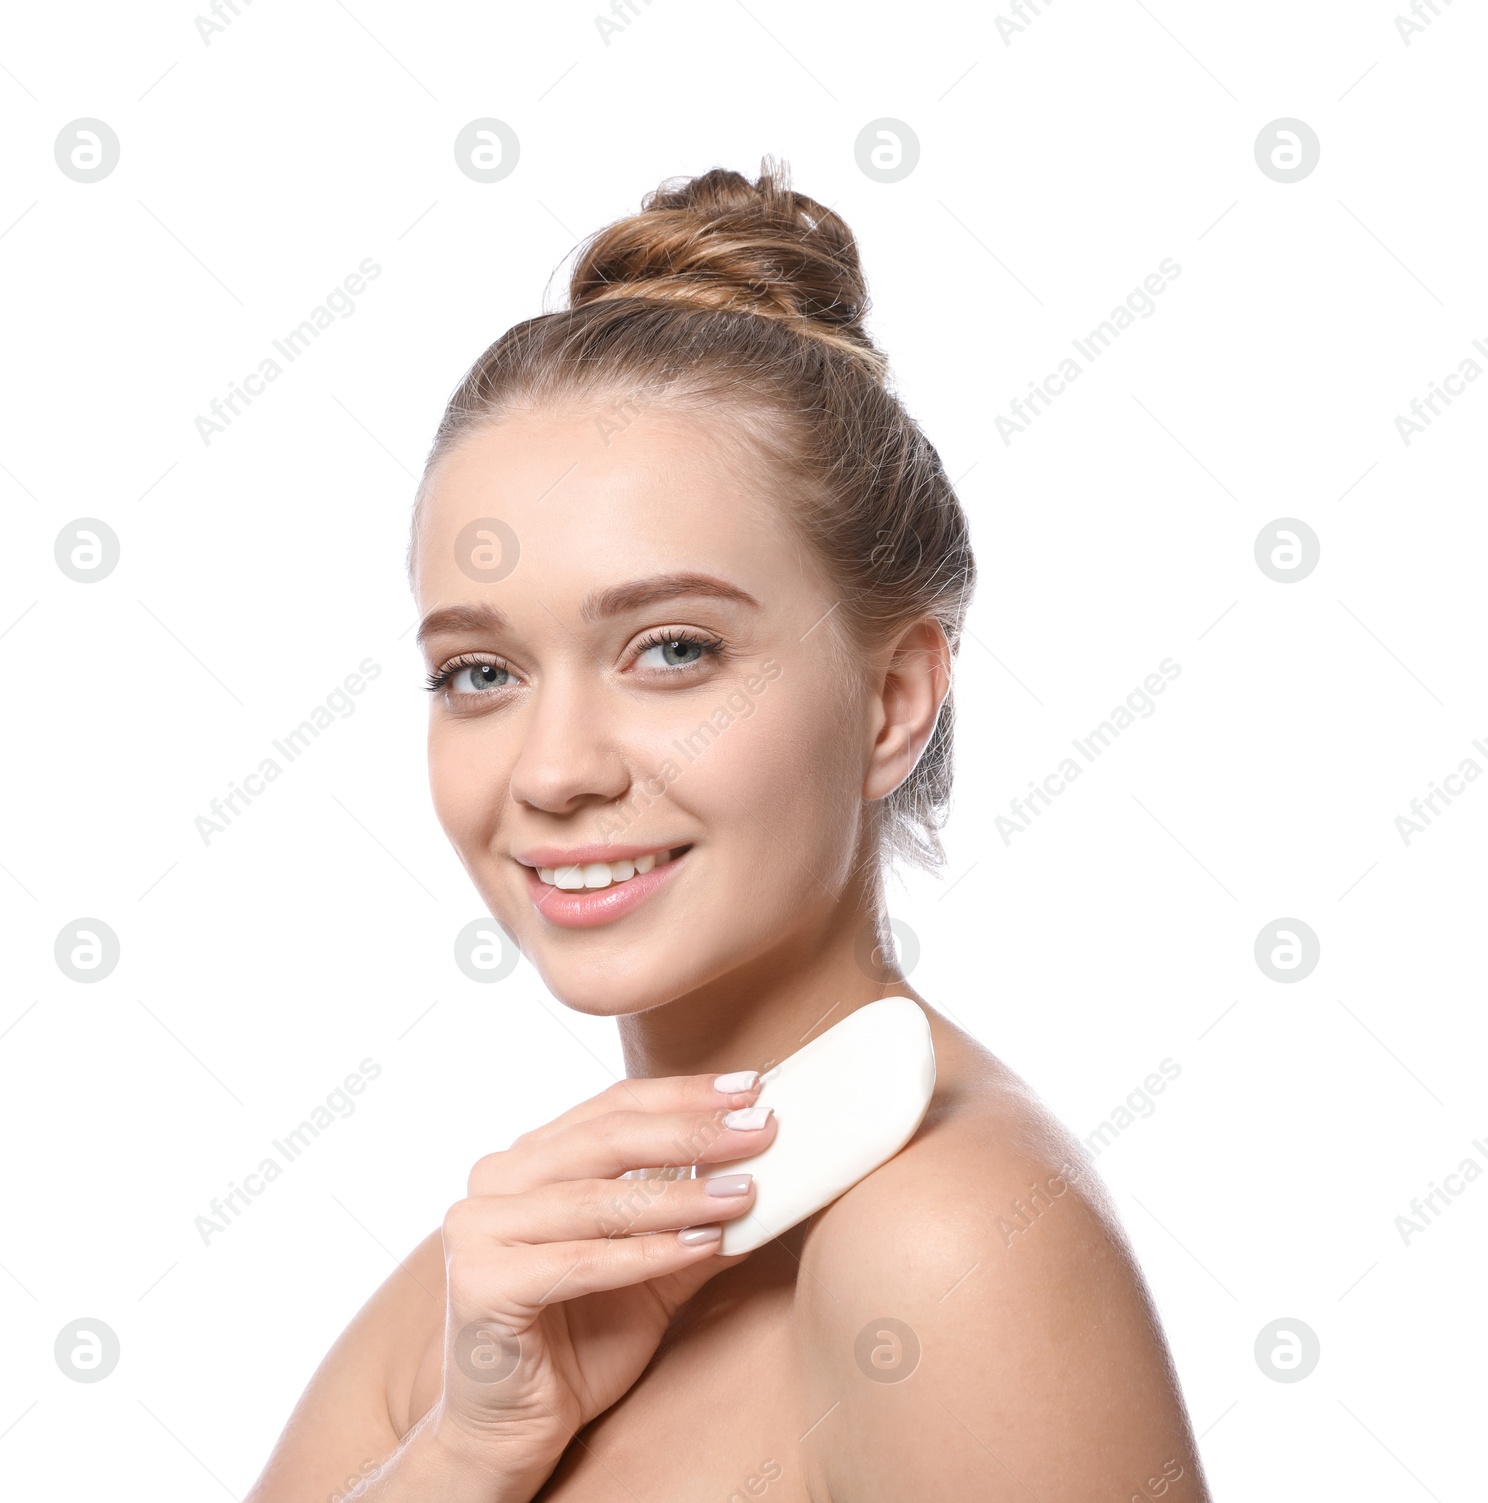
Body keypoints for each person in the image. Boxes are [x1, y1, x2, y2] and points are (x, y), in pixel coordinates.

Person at [244, 155, 1212, 1503]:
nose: (553, 771)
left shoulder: (945, 1249)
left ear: (891, 701)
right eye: (480, 671)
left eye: (672, 649)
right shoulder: (505, 1281)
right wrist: (469, 1455)